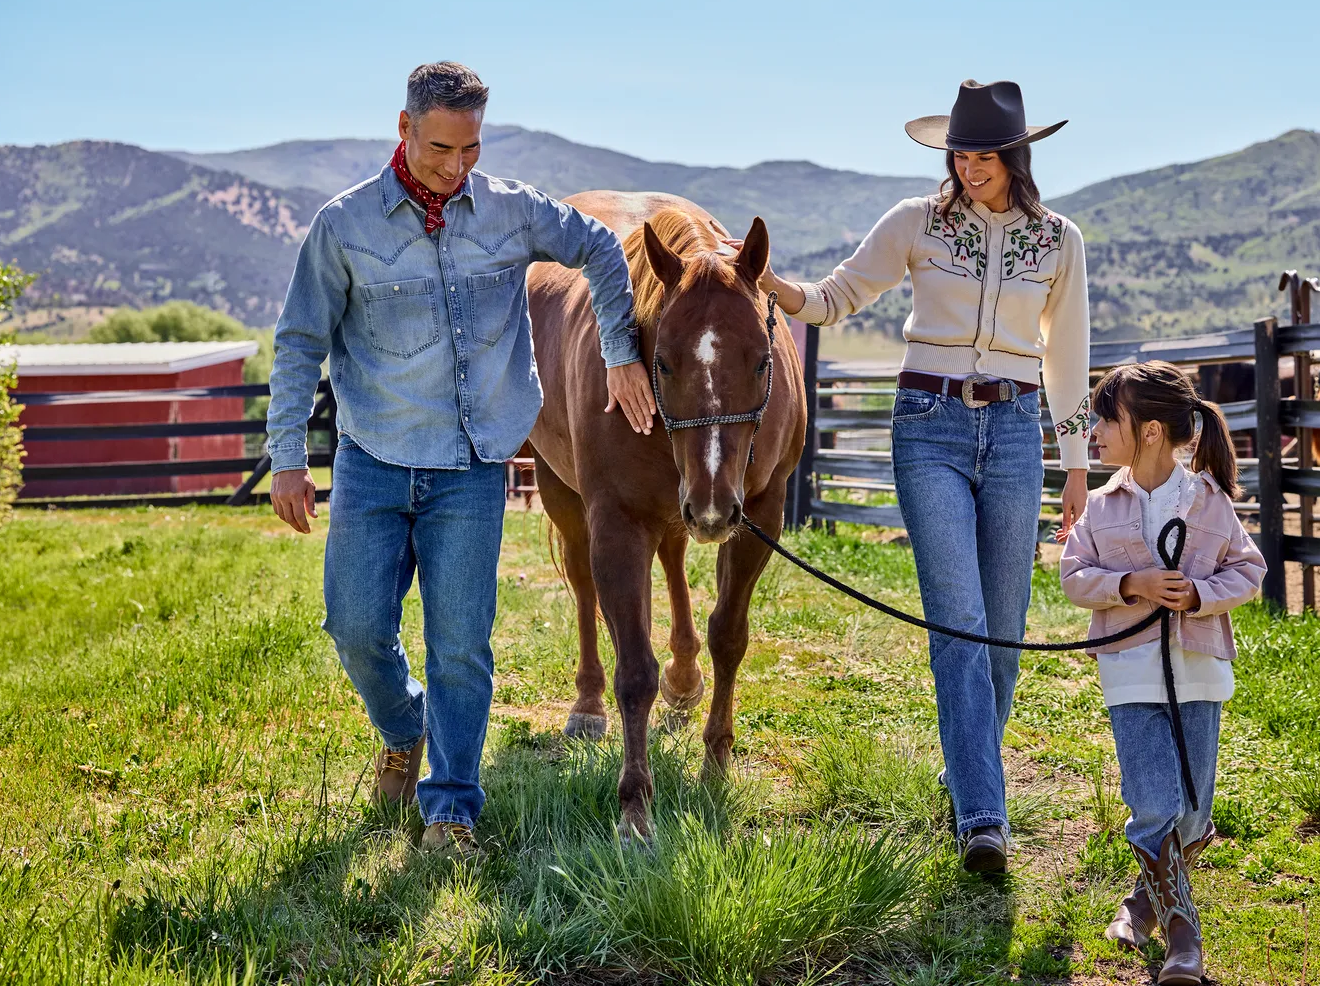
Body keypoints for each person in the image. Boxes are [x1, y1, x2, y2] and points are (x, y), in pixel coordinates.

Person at [265, 61, 655, 858]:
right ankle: (403, 728)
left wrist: (620, 352)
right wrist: (286, 455)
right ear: (403, 129)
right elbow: (301, 341)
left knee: (461, 645)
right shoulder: (343, 227)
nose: (455, 165)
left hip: (473, 465)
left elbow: (604, 250)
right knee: (355, 626)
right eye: (441, 147)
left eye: (470, 148)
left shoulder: (512, 212)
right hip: (374, 458)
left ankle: (451, 810)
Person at [741, 80, 1089, 872]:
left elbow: (1067, 357)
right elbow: (835, 298)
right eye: (958, 153)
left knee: (1003, 633)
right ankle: (983, 818)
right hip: (926, 427)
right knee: (960, 623)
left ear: (1015, 153)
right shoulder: (914, 222)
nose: (970, 167)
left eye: (984, 155)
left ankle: (969, 768)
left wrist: (1075, 466)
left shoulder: (1058, 240)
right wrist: (769, 285)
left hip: (1013, 432)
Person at [1060, 361, 1265, 985]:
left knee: (1194, 813)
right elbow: (1073, 574)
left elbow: (1248, 570)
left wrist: (1200, 595)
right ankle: (1184, 937)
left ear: (1150, 431)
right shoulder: (1098, 506)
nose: (1093, 430)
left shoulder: (1208, 502)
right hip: (1129, 671)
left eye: (1106, 419)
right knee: (1153, 802)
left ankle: (1139, 904)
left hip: (1198, 669)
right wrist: (1131, 584)